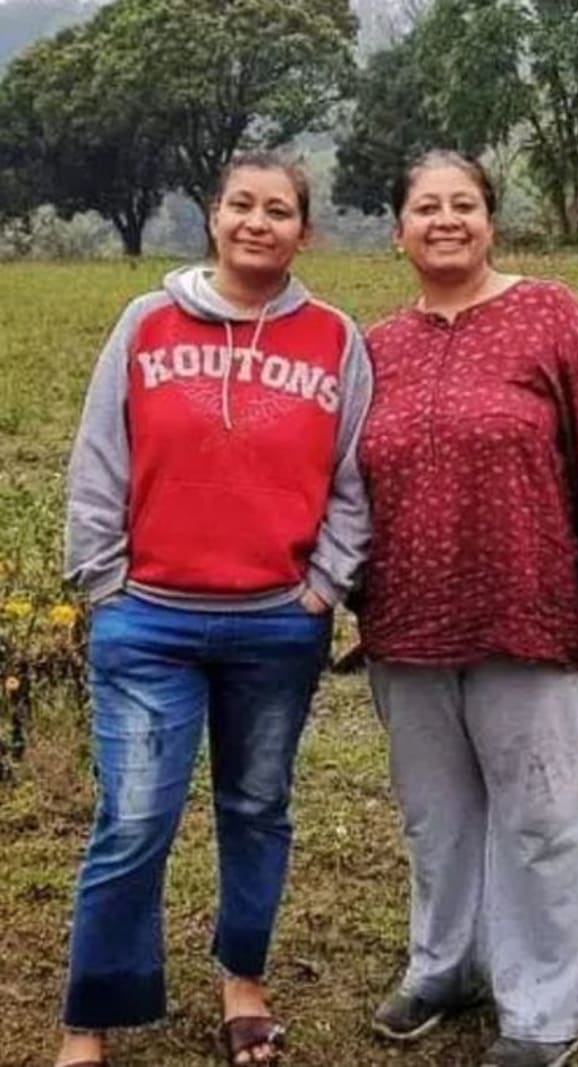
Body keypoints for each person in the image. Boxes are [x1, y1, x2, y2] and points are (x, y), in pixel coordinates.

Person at [56, 152, 371, 1067]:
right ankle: (91, 1017)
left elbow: (354, 476)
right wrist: (104, 583)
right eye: (242, 205)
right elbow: (97, 457)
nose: (258, 223)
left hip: (278, 618)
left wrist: (326, 583)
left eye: (279, 211)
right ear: (213, 216)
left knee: (257, 805)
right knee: (135, 816)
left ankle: (244, 981)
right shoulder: (145, 323)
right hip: (148, 616)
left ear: (303, 231)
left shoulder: (333, 337)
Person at [357, 151, 578, 1067]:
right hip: (407, 617)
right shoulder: (374, 348)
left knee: (541, 814)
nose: (446, 220)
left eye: (465, 204)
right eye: (426, 207)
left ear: (491, 219)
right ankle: (446, 964)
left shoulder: (553, 316)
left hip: (533, 608)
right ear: (397, 229)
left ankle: (550, 1007)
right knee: (436, 814)